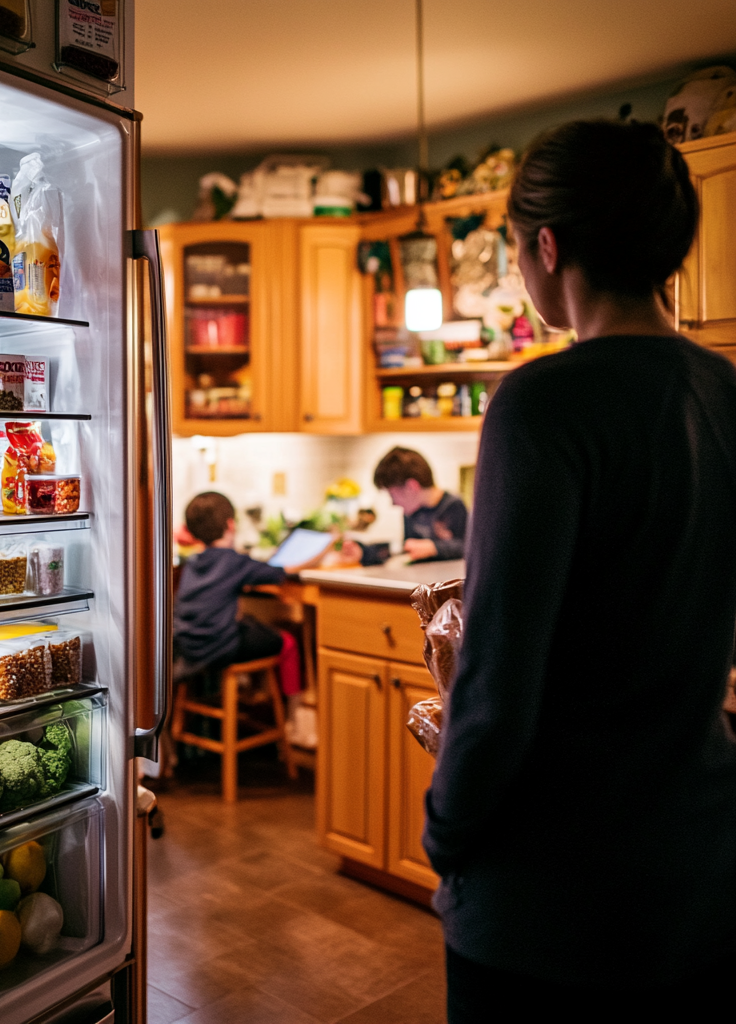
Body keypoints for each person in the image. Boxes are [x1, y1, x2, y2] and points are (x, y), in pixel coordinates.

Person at [424, 119, 736, 1022]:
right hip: (701, 872)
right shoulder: (725, 394)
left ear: (547, 247)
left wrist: (447, 829)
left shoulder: (543, 403)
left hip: (555, 899)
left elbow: (499, 679)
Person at [173, 491, 324, 671]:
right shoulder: (233, 561)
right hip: (218, 649)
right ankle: (295, 700)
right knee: (288, 641)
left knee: (249, 622)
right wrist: (326, 546)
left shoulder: (193, 561)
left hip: (187, 647)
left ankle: (251, 689)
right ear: (230, 525)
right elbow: (284, 571)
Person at [359, 447, 468, 564]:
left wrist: (435, 548)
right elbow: (404, 547)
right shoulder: (411, 511)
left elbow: (468, 548)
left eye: (392, 495)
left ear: (411, 487)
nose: (393, 503)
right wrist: (363, 551)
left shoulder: (453, 505)